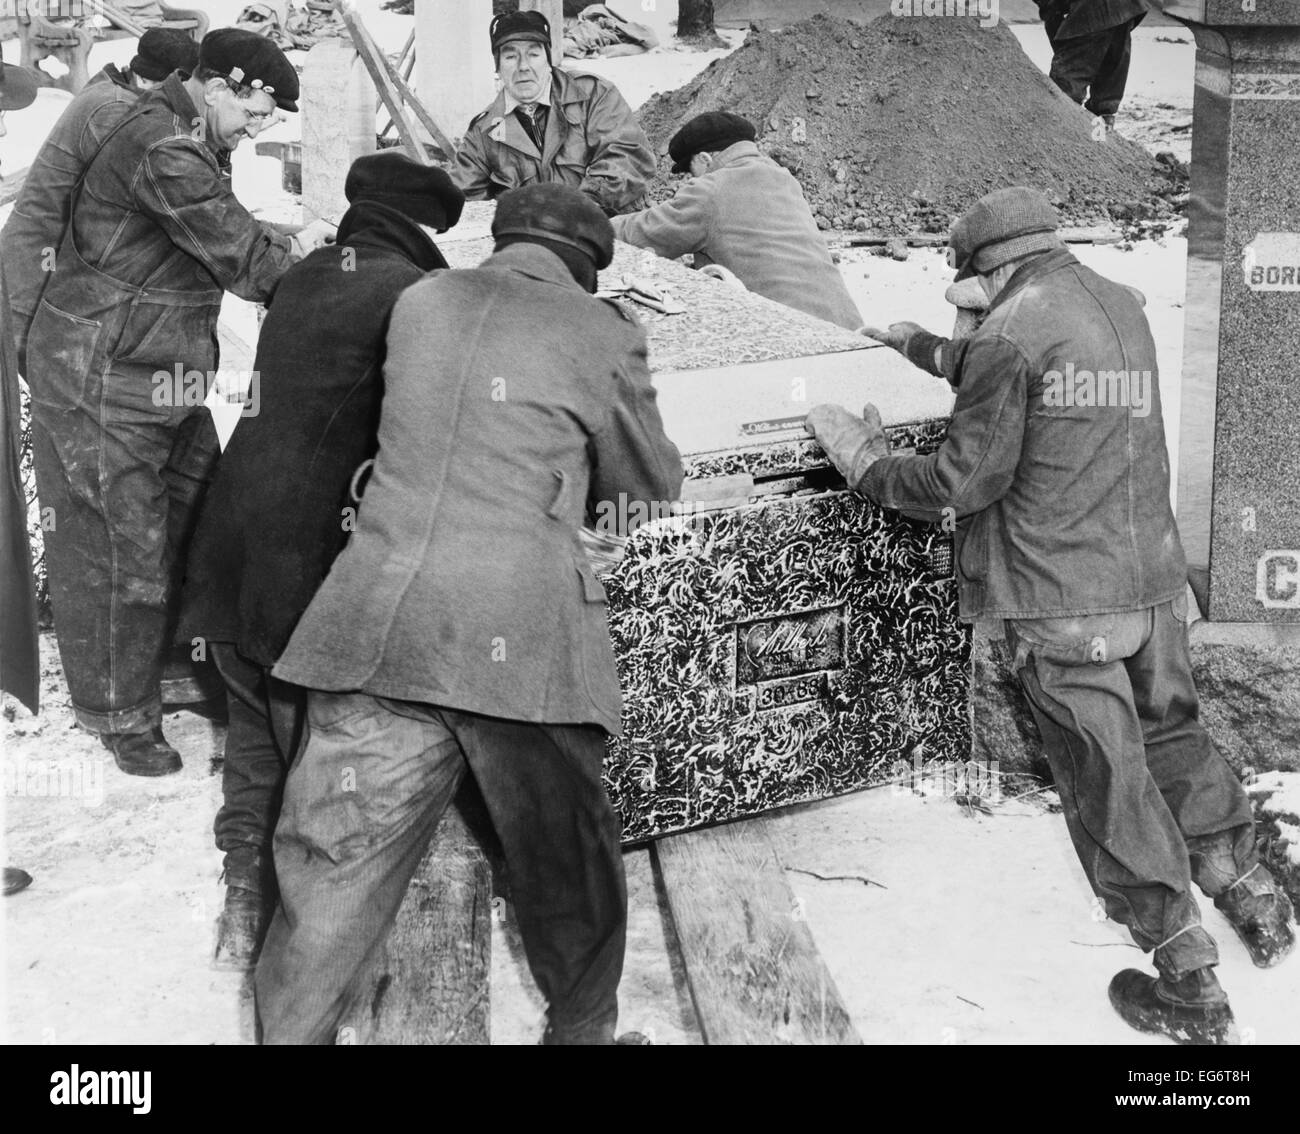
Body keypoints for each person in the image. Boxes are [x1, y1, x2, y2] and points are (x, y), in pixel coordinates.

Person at [805, 186, 1295, 1046]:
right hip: (1148, 583)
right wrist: (917, 345)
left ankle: (1187, 980)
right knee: (1172, 737)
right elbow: (1032, 373)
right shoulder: (1112, 301)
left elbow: (962, 482)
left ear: (984, 274)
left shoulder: (1003, 333)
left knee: (1106, 777)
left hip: (1063, 601)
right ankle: (1253, 897)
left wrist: (865, 460)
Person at [254, 184, 683, 1045]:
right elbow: (648, 485)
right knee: (569, 857)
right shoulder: (602, 333)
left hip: (374, 627)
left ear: (503, 242)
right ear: (586, 272)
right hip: (516, 644)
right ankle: (582, 1031)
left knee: (330, 872)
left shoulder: (421, 300)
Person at [178, 152, 466, 971]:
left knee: (254, 741)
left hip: (232, 540)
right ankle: (306, 961)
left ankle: (243, 904)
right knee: (318, 763)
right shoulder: (412, 296)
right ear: (424, 231)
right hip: (304, 573)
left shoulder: (304, 278)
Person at [22, 29, 335, 779]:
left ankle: (173, 666)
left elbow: (213, 232)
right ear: (222, 84)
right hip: (103, 371)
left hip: (160, 366)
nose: (265, 123)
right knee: (118, 547)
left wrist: (289, 238)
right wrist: (338, 263)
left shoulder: (185, 134)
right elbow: (247, 263)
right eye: (262, 107)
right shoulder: (165, 146)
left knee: (201, 512)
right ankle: (120, 714)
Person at [2, 28, 200, 374]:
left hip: (35, 272)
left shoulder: (110, 89)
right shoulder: (115, 110)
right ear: (165, 80)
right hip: (32, 284)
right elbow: (169, 196)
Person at [611, 111, 864, 332]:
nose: (689, 179)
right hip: (851, 331)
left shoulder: (711, 190)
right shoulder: (783, 179)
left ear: (704, 159)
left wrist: (587, 221)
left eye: (690, 171)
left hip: (794, 337)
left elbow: (643, 233)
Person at [451, 9, 655, 217]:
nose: (523, 66)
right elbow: (461, 199)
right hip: (535, 239)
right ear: (498, 67)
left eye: (533, 54)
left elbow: (628, 158)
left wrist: (580, 208)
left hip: (606, 225)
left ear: (548, 60)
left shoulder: (593, 94)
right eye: (511, 56)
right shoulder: (483, 133)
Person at [1035, 0, 1149, 130]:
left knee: (1066, 82)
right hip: (1125, 8)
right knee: (1108, 76)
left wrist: (1066, 54)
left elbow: (1051, 12)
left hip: (1093, 8)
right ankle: (1101, 131)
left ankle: (1062, 130)